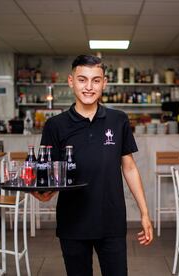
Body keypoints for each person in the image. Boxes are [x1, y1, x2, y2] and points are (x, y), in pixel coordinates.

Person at [32, 54, 153, 276]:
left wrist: (145, 213)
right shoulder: (55, 126)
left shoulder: (118, 120)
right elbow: (49, 173)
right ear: (71, 81)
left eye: (96, 80)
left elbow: (130, 167)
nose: (89, 87)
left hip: (112, 220)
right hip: (72, 222)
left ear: (104, 83)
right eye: (82, 79)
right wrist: (42, 191)